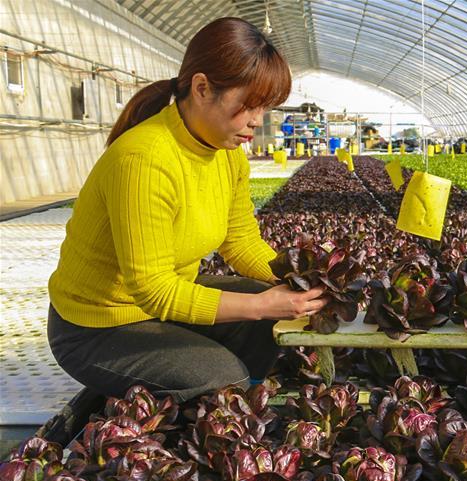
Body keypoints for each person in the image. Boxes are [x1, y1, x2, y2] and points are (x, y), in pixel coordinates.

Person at [47, 18, 328, 402]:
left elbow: (241, 242)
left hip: (161, 309)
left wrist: (301, 280)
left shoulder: (227, 154)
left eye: (265, 107)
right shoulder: (144, 159)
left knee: (271, 319)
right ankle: (173, 390)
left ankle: (224, 396)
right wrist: (260, 305)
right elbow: (154, 290)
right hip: (97, 326)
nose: (256, 121)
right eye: (249, 105)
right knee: (222, 378)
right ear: (202, 88)